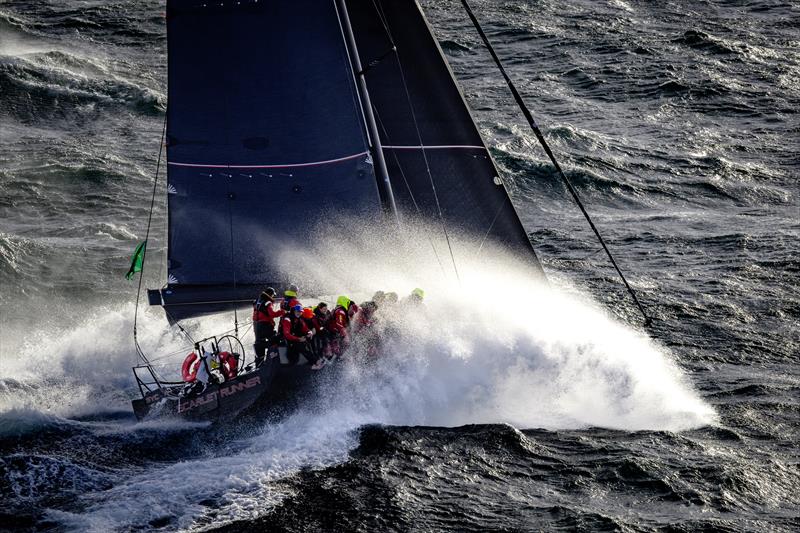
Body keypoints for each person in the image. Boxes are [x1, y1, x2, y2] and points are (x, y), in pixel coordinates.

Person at [281, 303, 324, 369]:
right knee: (301, 346)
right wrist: (299, 339)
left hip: (294, 338)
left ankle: (316, 360)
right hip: (286, 339)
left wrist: (309, 332)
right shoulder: (288, 319)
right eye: (298, 312)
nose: (299, 313)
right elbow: (286, 334)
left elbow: (305, 328)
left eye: (300, 312)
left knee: (307, 342)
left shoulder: (299, 319)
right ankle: (313, 363)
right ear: (294, 311)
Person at [252, 287, 283, 364]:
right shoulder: (268, 302)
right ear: (270, 294)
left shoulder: (257, 301)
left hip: (256, 326)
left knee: (259, 342)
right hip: (265, 326)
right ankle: (274, 359)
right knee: (276, 338)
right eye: (273, 295)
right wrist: (282, 312)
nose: (273, 297)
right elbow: (272, 314)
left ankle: (259, 362)